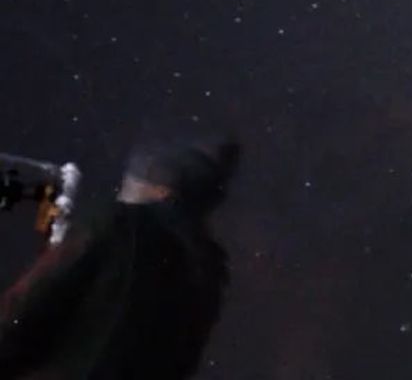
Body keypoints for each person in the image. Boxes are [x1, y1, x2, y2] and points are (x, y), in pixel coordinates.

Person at [0, 137, 238, 379]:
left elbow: (28, 305)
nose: (123, 190)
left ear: (160, 191)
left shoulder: (121, 224)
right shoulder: (209, 268)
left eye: (131, 183)